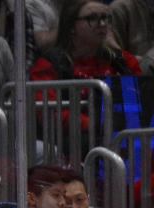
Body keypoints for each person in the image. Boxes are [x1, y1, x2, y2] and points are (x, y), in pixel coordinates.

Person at [30, 0, 143, 132]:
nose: (102, 24)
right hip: (74, 143)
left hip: (125, 137)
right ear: (71, 26)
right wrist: (100, 126)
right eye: (92, 18)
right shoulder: (50, 65)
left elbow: (144, 98)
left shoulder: (122, 60)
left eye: (105, 18)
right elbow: (49, 113)